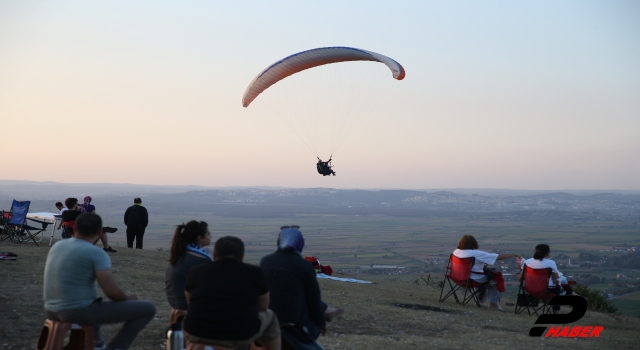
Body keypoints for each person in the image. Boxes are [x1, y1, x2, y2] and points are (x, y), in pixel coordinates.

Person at [43, 213, 156, 350]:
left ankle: (96, 343)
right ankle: (116, 347)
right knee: (148, 308)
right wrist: (127, 299)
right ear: (100, 232)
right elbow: (112, 292)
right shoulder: (96, 253)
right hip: (76, 311)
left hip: (51, 309)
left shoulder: (58, 246)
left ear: (74, 227)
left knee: (94, 302)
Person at [183, 236, 281, 350]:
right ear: (242, 257)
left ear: (214, 255)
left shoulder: (196, 271)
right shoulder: (254, 272)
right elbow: (263, 307)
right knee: (270, 316)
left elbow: (190, 301)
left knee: (189, 314)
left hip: (196, 332)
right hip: (239, 335)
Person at [260, 226, 342, 349]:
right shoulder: (304, 266)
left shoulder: (265, 261)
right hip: (295, 324)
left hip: (265, 320)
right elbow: (313, 298)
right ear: (300, 243)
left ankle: (327, 310)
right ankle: (326, 311)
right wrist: (321, 322)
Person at [452, 234, 521, 311]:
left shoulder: (456, 252)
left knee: (484, 278)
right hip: (472, 280)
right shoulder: (476, 253)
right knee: (493, 281)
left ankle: (480, 301)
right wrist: (512, 254)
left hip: (457, 279)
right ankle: (493, 304)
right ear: (474, 243)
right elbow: (498, 257)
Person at [517, 244, 581, 314]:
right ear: (547, 253)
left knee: (559, 285)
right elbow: (556, 279)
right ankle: (557, 312)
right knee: (558, 287)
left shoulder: (527, 262)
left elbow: (520, 279)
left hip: (529, 289)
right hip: (545, 291)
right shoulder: (550, 263)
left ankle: (571, 293)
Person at [165, 220, 212, 311]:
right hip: (186, 303)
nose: (211, 236)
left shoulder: (181, 253)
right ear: (200, 238)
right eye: (208, 234)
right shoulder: (201, 259)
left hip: (174, 301)